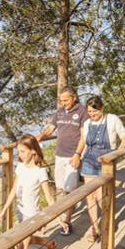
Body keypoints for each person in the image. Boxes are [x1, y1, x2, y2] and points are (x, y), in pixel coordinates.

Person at [0, 134, 56, 249]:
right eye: (18, 151)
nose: (19, 155)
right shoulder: (20, 167)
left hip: (32, 217)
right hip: (21, 213)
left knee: (22, 248)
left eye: (22, 151)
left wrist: (58, 218)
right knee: (25, 242)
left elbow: (49, 197)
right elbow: (14, 190)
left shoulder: (40, 172)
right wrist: (4, 210)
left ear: (33, 152)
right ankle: (48, 244)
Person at [36, 87, 89, 236]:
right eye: (61, 100)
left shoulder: (82, 111)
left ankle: (67, 221)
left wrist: (78, 154)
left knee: (70, 189)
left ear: (74, 98)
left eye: (66, 100)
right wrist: (37, 138)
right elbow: (50, 129)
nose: (63, 103)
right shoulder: (59, 112)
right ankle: (64, 213)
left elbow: (84, 136)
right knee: (61, 188)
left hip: (73, 155)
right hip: (59, 155)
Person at [78, 96, 125, 242]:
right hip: (89, 161)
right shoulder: (87, 123)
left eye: (95, 111)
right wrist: (78, 156)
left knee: (101, 197)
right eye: (89, 111)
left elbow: (124, 133)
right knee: (90, 196)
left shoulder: (112, 119)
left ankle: (107, 223)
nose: (92, 114)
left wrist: (124, 142)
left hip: (106, 161)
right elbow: (86, 142)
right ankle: (94, 228)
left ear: (101, 108)